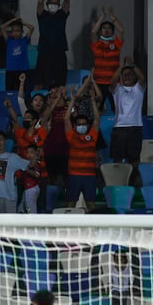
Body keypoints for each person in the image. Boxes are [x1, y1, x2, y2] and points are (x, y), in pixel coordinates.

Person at [64, 77, 101, 208]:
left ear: (87, 125)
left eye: (84, 124)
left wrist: (92, 100)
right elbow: (66, 119)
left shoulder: (92, 136)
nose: (82, 126)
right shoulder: (71, 136)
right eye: (79, 124)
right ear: (75, 126)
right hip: (74, 176)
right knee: (70, 204)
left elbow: (97, 119)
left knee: (91, 205)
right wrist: (72, 101)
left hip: (89, 176)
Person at [35, 0, 70, 89]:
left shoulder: (61, 15)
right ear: (47, 4)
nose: (53, 5)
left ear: (58, 5)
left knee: (60, 81)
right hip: (45, 52)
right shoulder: (42, 15)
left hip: (59, 51)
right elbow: (40, 1)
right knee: (44, 80)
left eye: (56, 3)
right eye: (51, 3)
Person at [109, 58, 146, 167]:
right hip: (119, 128)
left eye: (130, 75)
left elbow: (142, 78)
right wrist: (121, 67)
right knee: (118, 159)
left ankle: (132, 182)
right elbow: (112, 81)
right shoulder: (117, 90)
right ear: (121, 77)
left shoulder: (138, 89)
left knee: (134, 159)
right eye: (125, 75)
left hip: (135, 127)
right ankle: (118, 181)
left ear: (134, 77)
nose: (127, 77)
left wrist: (131, 65)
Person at [90, 6, 124, 105]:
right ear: (100, 31)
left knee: (116, 108)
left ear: (113, 31)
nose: (106, 30)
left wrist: (112, 16)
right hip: (99, 82)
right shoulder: (97, 45)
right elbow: (93, 32)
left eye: (109, 28)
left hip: (114, 82)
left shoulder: (116, 44)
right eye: (104, 28)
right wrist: (102, 17)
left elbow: (121, 30)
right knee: (98, 108)